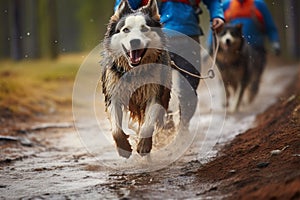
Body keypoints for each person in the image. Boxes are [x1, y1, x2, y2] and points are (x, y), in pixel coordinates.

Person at [114, 0, 224, 127]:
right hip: (155, 40)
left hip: (188, 38)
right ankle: (162, 122)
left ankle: (183, 126)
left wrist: (217, 16)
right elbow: (124, 5)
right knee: (154, 87)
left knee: (189, 88)